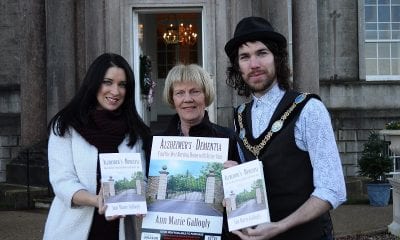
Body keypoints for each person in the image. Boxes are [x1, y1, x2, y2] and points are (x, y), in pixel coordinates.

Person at [224, 16, 346, 240]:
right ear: (238, 67)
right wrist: (233, 172)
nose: (254, 64)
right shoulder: (240, 116)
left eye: (262, 53)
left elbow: (332, 189)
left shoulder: (309, 109)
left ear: (276, 58)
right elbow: (250, 182)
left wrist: (280, 227)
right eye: (245, 57)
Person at [43, 53, 151, 240]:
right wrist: (96, 200)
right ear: (94, 83)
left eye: (122, 84)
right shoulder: (65, 125)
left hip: (119, 231)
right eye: (107, 82)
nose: (115, 91)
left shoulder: (134, 129)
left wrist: (142, 198)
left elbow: (141, 179)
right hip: (71, 230)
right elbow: (62, 181)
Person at [161, 63, 240, 239]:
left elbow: (240, 201)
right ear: (172, 99)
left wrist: (238, 178)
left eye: (195, 91)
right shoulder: (155, 143)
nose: (187, 99)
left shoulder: (229, 139)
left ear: (206, 95)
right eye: (180, 93)